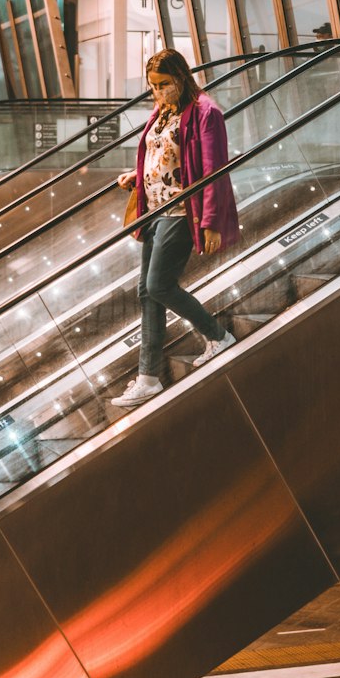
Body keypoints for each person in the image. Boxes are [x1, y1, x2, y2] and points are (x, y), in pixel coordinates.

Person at [111, 48, 239, 409]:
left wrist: (211, 222)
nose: (157, 93)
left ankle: (217, 336)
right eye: (152, 87)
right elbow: (162, 155)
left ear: (181, 78)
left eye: (163, 85)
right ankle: (148, 377)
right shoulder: (163, 110)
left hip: (183, 211)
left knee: (158, 285)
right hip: (155, 210)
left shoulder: (205, 112)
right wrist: (137, 177)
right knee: (147, 293)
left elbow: (213, 169)